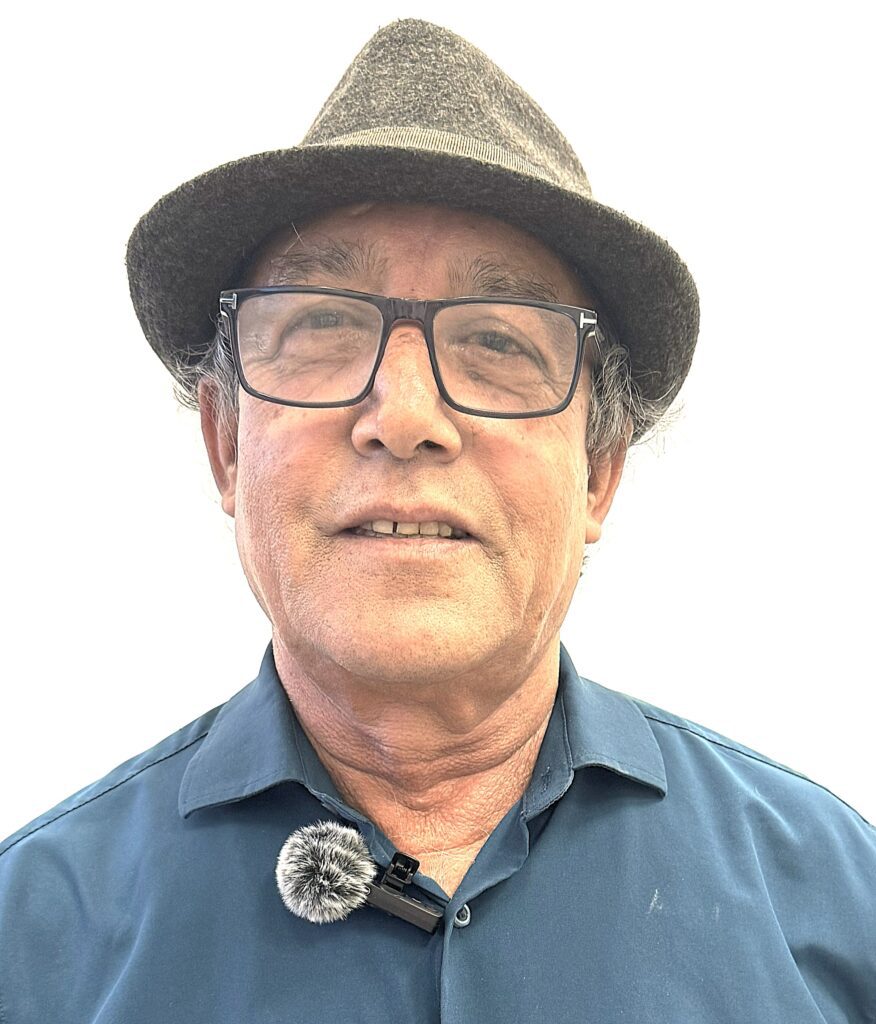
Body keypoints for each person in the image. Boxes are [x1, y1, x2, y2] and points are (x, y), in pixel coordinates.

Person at [1, 18, 873, 1023]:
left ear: (600, 470)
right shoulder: (31, 944)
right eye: (323, 325)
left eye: (499, 342)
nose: (406, 416)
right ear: (226, 444)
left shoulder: (840, 909)